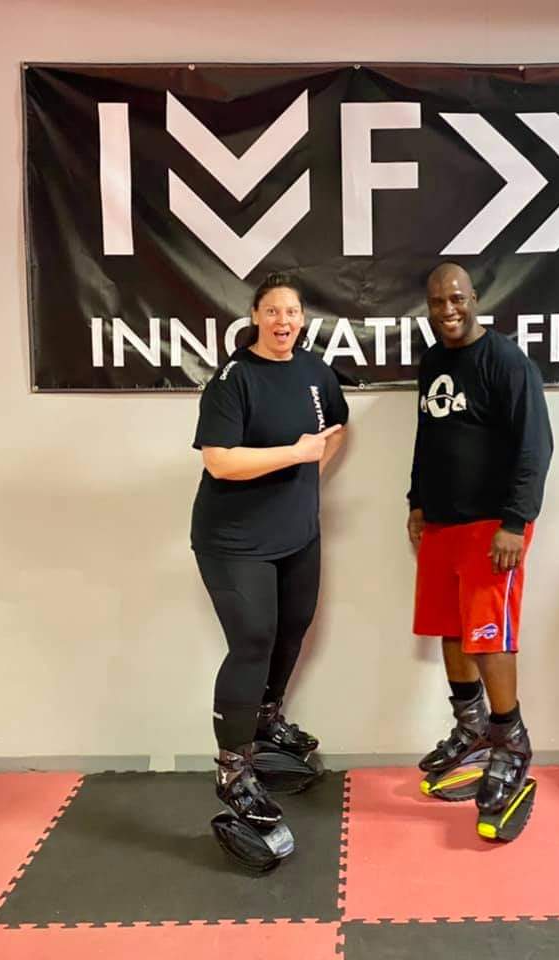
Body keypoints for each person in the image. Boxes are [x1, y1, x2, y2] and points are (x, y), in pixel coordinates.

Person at [191, 272, 348, 860]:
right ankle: (233, 770)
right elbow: (219, 462)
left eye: (292, 312)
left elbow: (336, 429)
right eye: (273, 311)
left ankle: (265, 718)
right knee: (253, 640)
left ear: (302, 320)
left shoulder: (314, 372)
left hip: (296, 534)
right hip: (234, 541)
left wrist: (311, 472)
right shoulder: (234, 379)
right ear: (255, 316)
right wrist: (296, 455)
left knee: (293, 626)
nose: (283, 321)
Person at [408, 262, 552, 817]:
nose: (448, 310)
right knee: (452, 630)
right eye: (437, 302)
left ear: (474, 299)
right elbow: (428, 435)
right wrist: (417, 500)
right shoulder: (432, 362)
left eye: (457, 299)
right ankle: (471, 728)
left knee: (489, 638)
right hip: (442, 524)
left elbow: (536, 445)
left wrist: (515, 522)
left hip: (493, 526)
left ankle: (510, 741)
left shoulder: (507, 362)